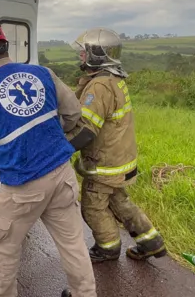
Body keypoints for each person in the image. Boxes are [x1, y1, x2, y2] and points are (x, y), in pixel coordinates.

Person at [0, 22, 96, 297]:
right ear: (5, 48)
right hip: (62, 175)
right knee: (73, 244)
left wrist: (19, 154)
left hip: (22, 187)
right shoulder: (43, 73)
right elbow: (73, 114)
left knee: (2, 248)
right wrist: (47, 139)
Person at [65, 27, 166, 263]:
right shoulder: (115, 79)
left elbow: (86, 130)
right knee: (120, 202)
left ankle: (107, 248)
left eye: (84, 52)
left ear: (97, 54)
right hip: (122, 160)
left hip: (104, 164)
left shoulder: (99, 86)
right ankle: (151, 241)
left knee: (93, 207)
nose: (81, 55)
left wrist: (61, 149)